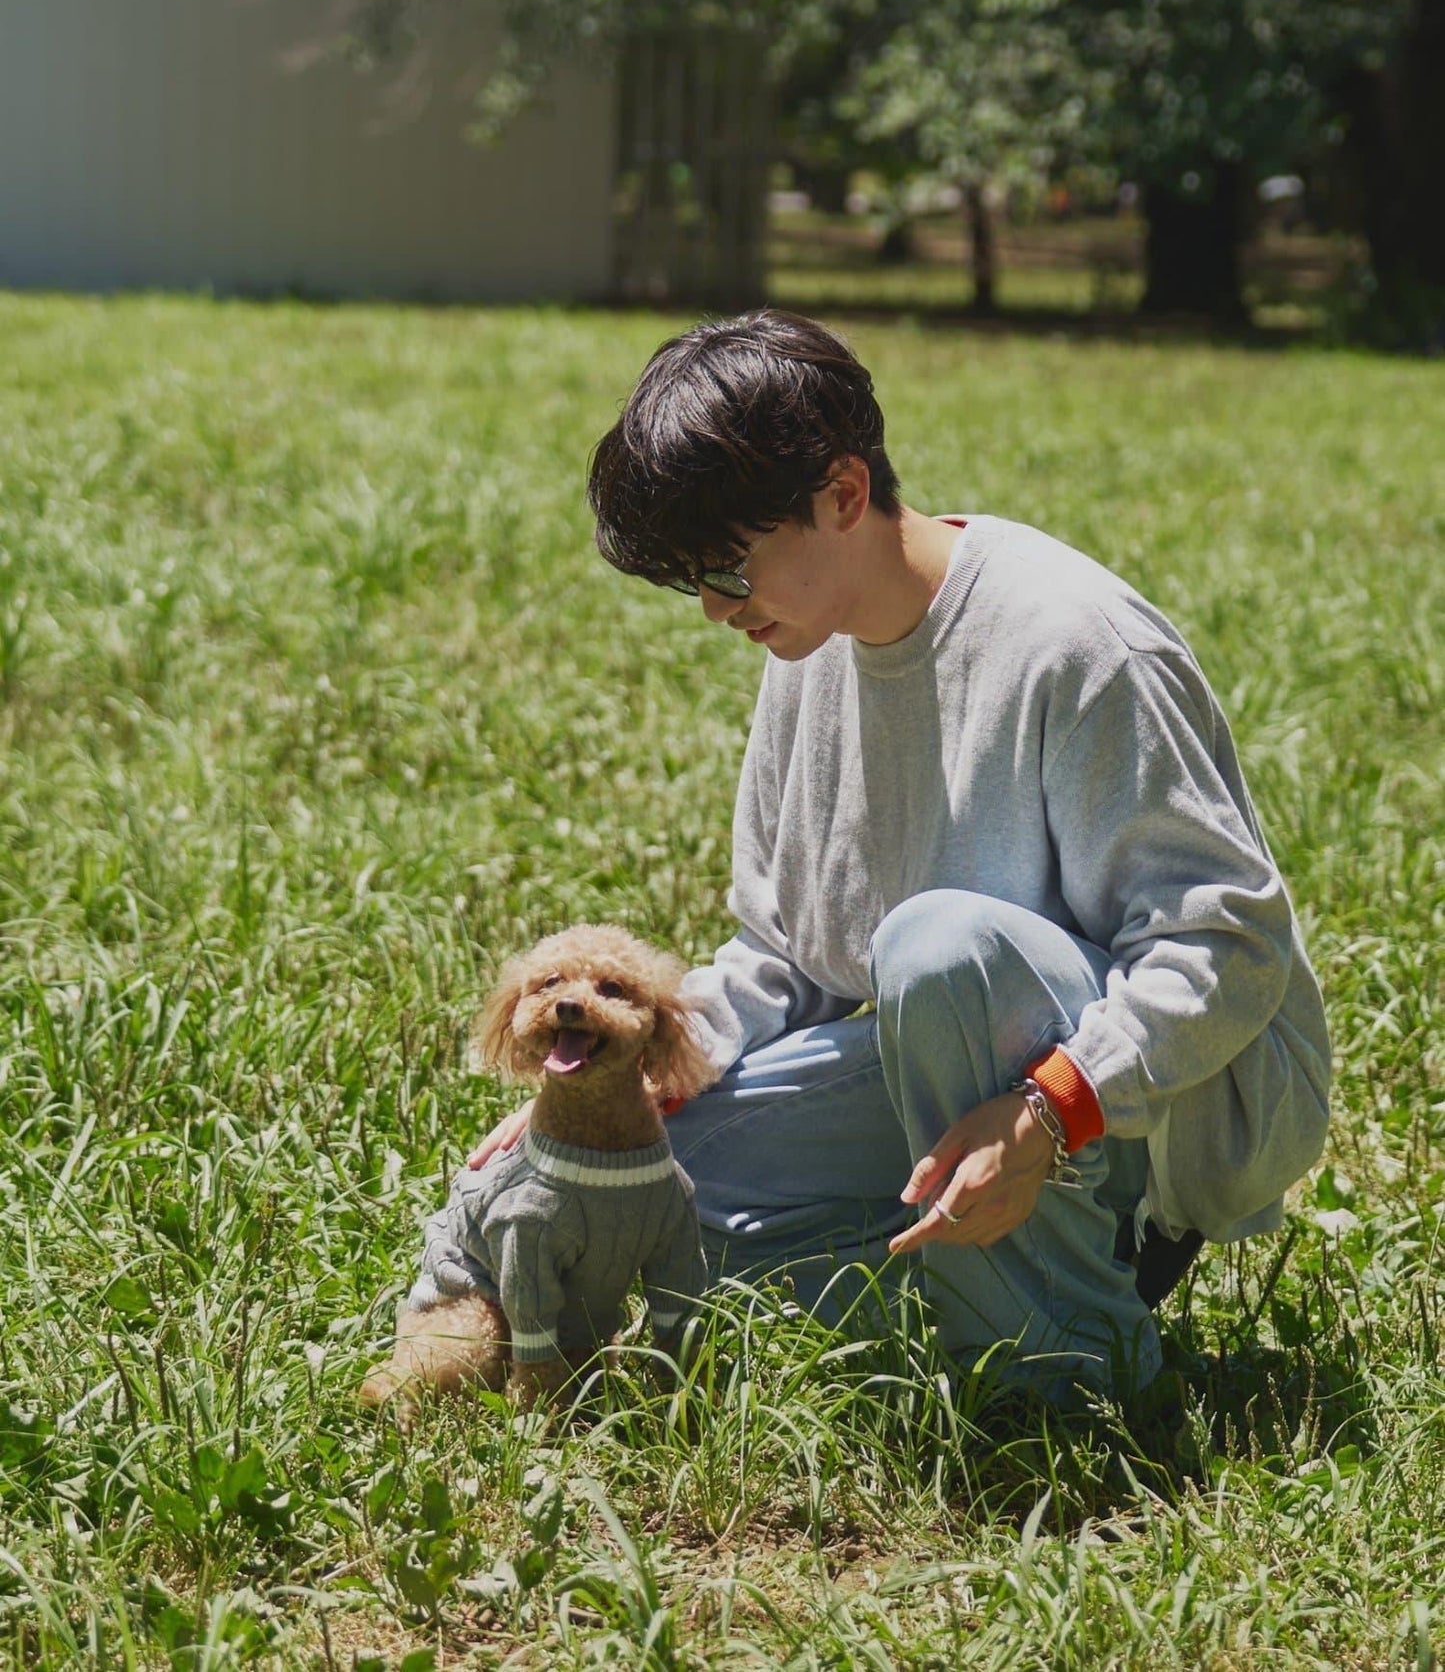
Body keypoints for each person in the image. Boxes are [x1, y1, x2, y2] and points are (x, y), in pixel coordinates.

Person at [472, 310, 1331, 1399]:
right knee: (653, 1190)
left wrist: (1046, 1111)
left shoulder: (1076, 645)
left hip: (1149, 1104)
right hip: (963, 1059)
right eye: (693, 576)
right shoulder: (808, 641)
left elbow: (1226, 941)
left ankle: (1064, 1360)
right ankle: (969, 1289)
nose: (709, 608)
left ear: (839, 494)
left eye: (727, 567)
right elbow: (783, 952)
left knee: (939, 942)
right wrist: (613, 1097)